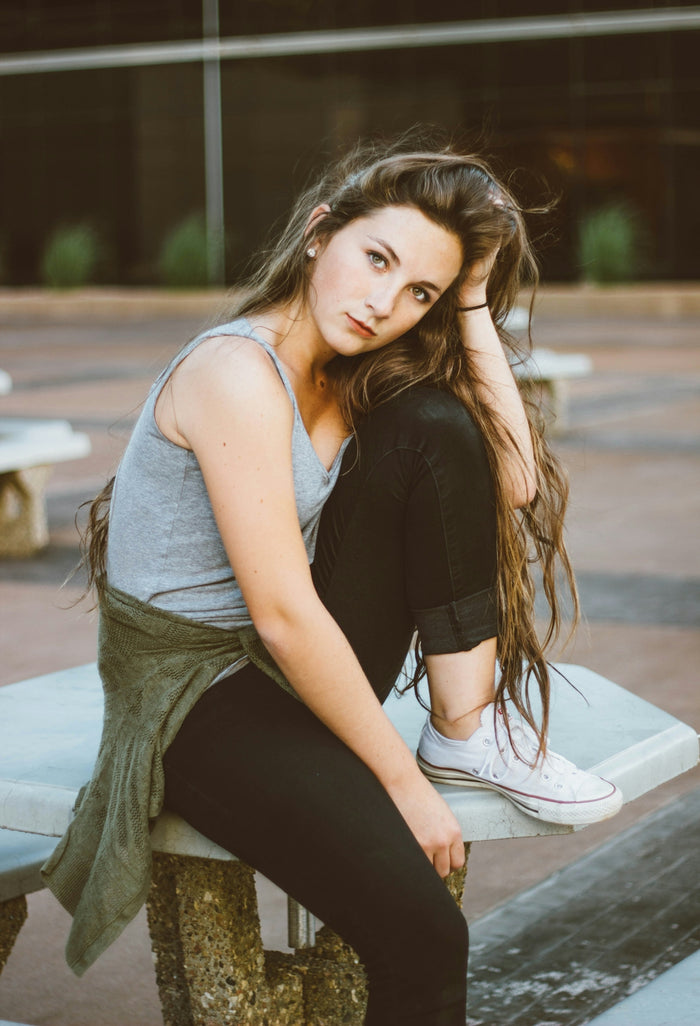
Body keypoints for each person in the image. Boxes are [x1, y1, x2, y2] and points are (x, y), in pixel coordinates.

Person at [42, 140, 622, 1024]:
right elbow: (282, 614)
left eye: (419, 292)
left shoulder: (351, 373)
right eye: (377, 259)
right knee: (424, 936)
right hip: (192, 693)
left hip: (276, 661)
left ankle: (465, 730)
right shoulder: (236, 373)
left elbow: (510, 479)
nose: (385, 304)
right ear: (320, 235)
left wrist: (470, 301)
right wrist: (402, 787)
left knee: (437, 423)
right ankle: (447, 749)